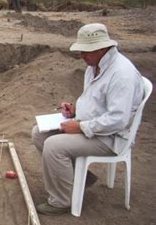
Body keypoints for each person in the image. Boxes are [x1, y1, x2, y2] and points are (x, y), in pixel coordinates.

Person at [32, 23, 144, 215]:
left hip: (111, 138)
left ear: (102, 48)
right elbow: (97, 103)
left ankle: (61, 201)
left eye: (86, 51)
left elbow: (118, 120)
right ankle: (81, 178)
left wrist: (82, 126)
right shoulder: (94, 66)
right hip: (95, 128)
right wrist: (75, 111)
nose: (82, 56)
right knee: (38, 133)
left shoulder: (121, 74)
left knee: (54, 146)